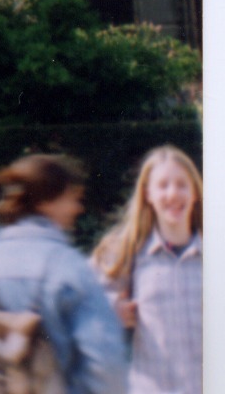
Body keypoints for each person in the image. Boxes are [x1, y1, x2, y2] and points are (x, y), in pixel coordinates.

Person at [0, 153, 127, 394]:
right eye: (72, 198)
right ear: (45, 201)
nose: (78, 208)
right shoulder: (71, 268)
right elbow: (104, 361)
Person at [92, 146, 202, 394]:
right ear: (148, 194)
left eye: (182, 184)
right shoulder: (126, 253)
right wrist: (111, 309)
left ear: (195, 191)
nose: (173, 194)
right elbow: (83, 302)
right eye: (163, 185)